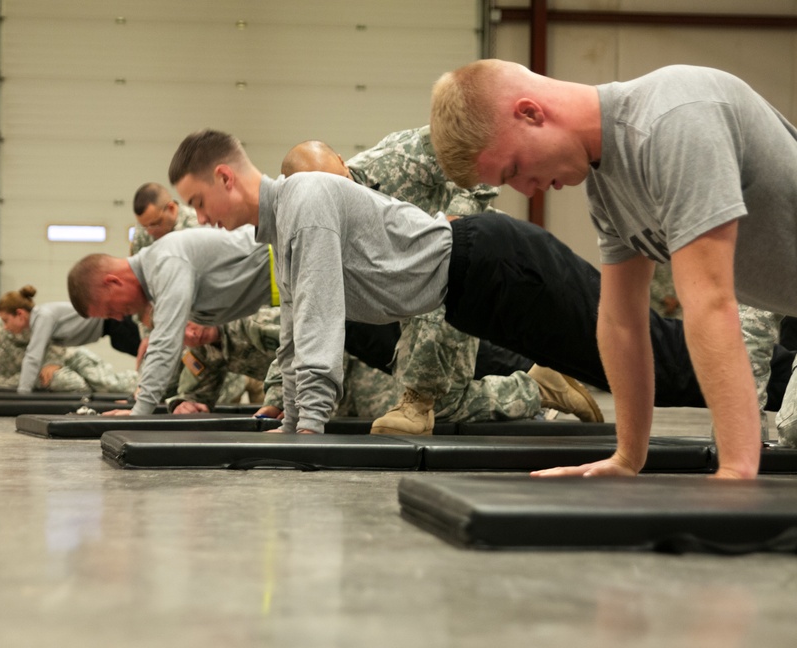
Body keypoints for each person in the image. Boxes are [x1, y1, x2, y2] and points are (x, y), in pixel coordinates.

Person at [167, 128, 742, 439]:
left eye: (198, 203)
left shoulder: (307, 198)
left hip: (494, 264)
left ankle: (765, 346)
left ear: (224, 176)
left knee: (642, 357)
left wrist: (309, 426)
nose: (201, 219)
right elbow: (297, 327)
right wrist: (289, 419)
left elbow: (320, 319)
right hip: (473, 292)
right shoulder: (283, 227)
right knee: (620, 363)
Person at [429, 60, 797, 480]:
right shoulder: (606, 184)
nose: (525, 189)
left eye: (514, 170)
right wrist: (627, 458)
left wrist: (735, 471)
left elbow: (710, 302)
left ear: (531, 112)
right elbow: (621, 321)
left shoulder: (675, 119)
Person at [281, 135, 602, 431]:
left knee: (422, 401)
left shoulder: (398, 157)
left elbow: (474, 148)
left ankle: (423, 401)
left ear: (342, 160)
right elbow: (304, 309)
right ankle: (540, 388)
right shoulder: (311, 223)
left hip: (466, 258)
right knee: (445, 406)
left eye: (345, 185)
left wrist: (453, 226)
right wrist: (280, 398)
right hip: (409, 287)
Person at [67, 227, 276, 415]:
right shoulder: (159, 272)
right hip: (283, 285)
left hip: (288, 263)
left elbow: (166, 342)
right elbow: (181, 354)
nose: (119, 318)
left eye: (111, 310)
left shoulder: (164, 262)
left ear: (113, 282)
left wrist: (137, 415)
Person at [169, 307, 399, 421]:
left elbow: (302, 346)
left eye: (192, 324)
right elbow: (196, 393)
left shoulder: (252, 321)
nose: (191, 334)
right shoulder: (202, 351)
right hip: (317, 399)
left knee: (397, 430)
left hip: (353, 374)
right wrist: (187, 404)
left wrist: (278, 400)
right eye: (183, 335)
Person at [0, 285, 138, 394]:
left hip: (116, 322)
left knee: (148, 353)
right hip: (111, 328)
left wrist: (23, 393)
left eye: (6, 320)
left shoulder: (42, 316)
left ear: (20, 314)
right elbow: (49, 350)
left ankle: (145, 385)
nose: (6, 327)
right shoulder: (38, 321)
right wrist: (53, 363)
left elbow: (33, 356)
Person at [130, 182, 200, 255]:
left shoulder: (197, 224)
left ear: (171, 208)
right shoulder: (141, 229)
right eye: (145, 226)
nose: (149, 232)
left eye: (155, 224)